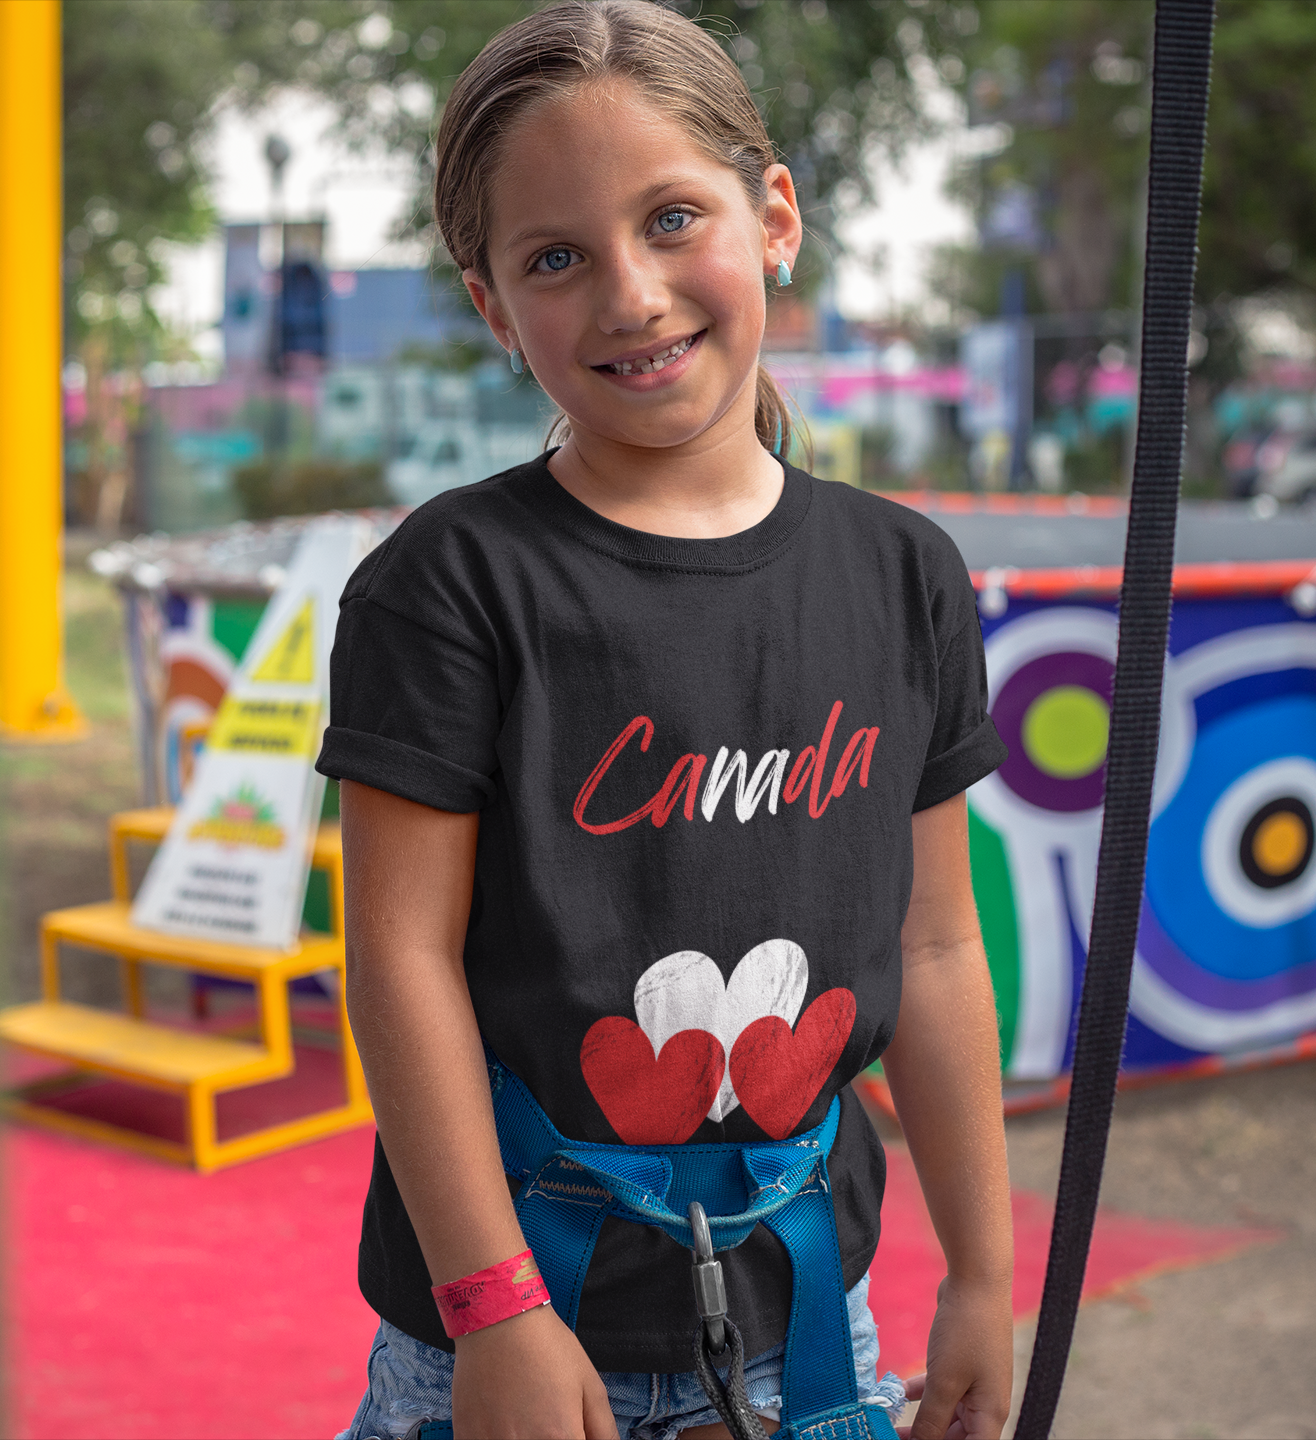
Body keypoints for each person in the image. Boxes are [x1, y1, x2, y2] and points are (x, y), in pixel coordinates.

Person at [318, 4, 1014, 1437]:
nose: (629, 295)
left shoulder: (902, 579)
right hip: (505, 1337)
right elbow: (399, 964)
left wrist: (987, 1278)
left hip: (814, 1328)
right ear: (493, 305)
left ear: (773, 219)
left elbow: (937, 950)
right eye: (556, 258)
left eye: (672, 218)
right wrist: (493, 1307)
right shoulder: (449, 587)